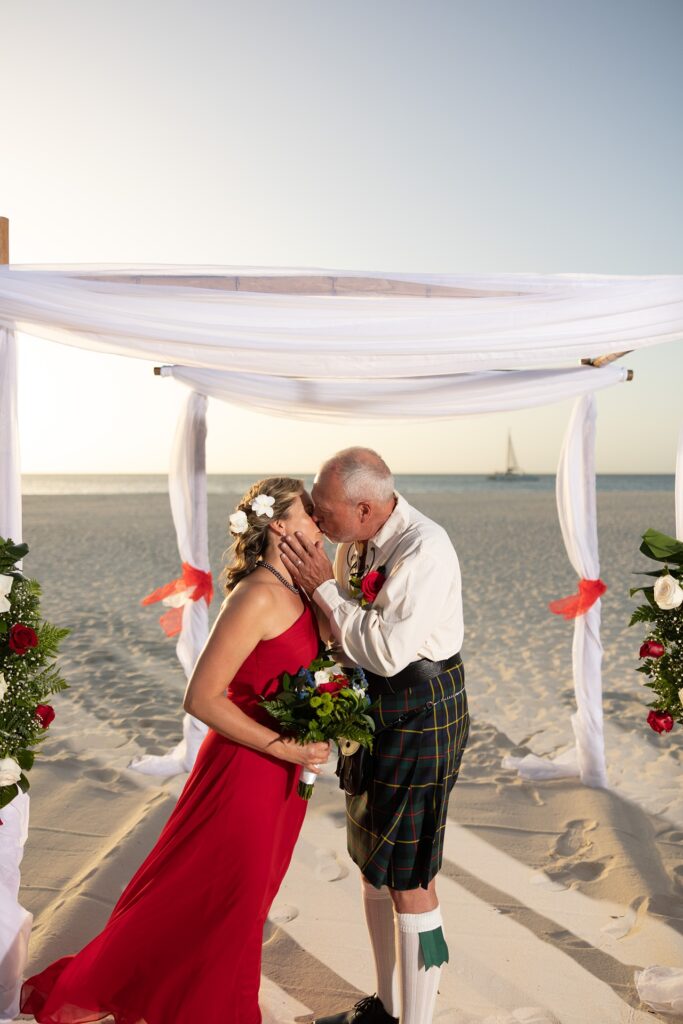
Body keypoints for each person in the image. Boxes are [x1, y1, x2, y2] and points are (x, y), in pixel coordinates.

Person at [20, 477, 330, 1024]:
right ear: (279, 525)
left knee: (241, 901)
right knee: (218, 899)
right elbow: (202, 697)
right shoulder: (256, 594)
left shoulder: (300, 590)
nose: (320, 525)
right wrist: (285, 747)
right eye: (311, 515)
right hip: (244, 771)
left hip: (284, 776)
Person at [280, 448, 469, 1024]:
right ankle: (385, 1008)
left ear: (365, 507)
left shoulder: (424, 549)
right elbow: (348, 638)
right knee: (373, 866)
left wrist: (323, 588)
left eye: (323, 508)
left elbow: (387, 651)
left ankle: (417, 1021)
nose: (315, 516)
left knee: (410, 878)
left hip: (421, 708)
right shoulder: (356, 539)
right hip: (376, 708)